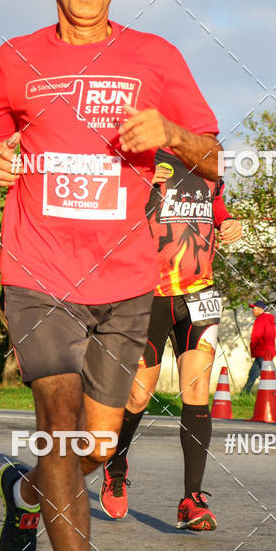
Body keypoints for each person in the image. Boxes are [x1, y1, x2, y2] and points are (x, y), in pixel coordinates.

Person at [0, 0, 222, 551]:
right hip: (39, 269)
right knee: (56, 417)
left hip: (123, 279)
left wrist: (170, 136)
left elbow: (211, 153)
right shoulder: (15, 58)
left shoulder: (156, 57)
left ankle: (23, 494)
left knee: (94, 445)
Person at [100, 154, 242, 527]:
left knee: (197, 390)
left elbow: (217, 203)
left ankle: (191, 500)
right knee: (138, 394)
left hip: (199, 293)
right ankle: (115, 463)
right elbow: (108, 206)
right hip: (148, 292)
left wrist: (229, 222)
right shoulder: (144, 155)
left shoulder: (208, 159)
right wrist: (139, 176)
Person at [242, 302, 276, 399]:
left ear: (260, 309)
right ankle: (244, 394)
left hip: (262, 351)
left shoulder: (260, 319)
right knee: (253, 374)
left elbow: (256, 336)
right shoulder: (269, 319)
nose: (252, 310)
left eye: (254, 308)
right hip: (267, 350)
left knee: (273, 372)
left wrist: (254, 347)